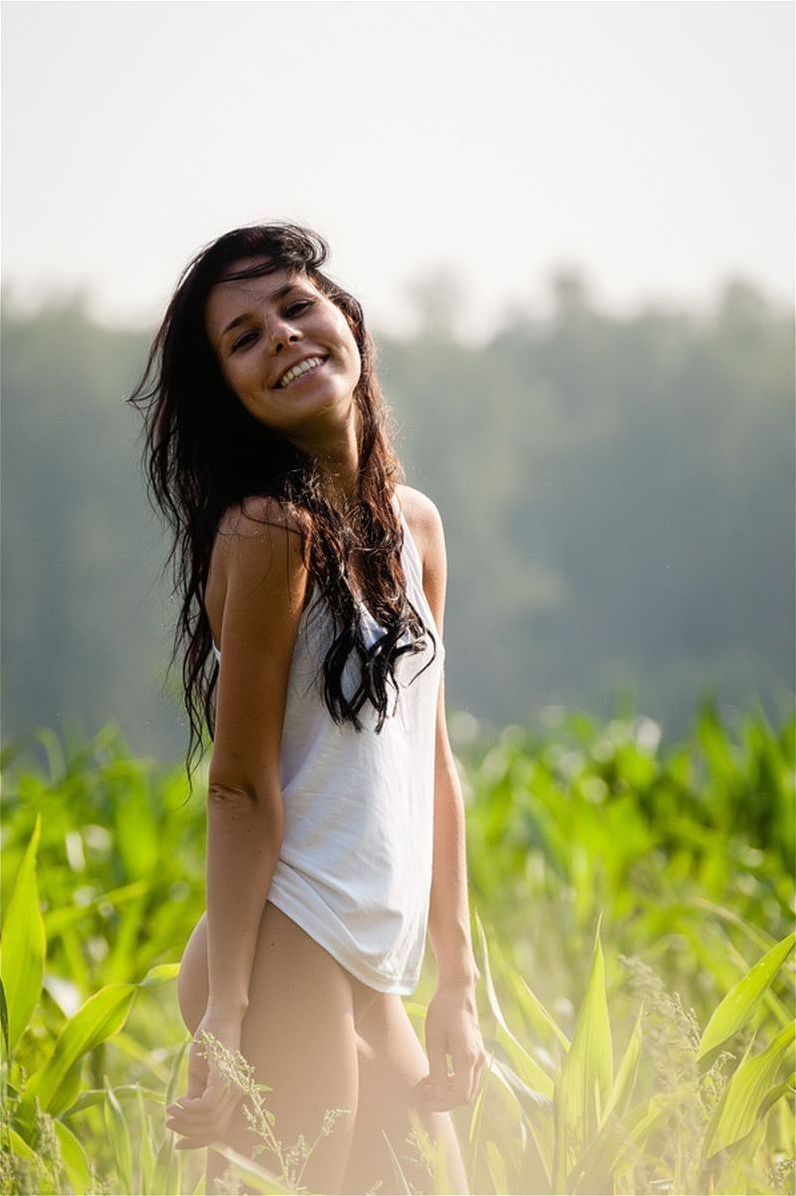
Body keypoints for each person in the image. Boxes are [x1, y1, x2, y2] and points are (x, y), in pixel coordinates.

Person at [128, 222, 487, 1195]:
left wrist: (458, 979)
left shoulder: (415, 525)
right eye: (243, 337)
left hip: (374, 960)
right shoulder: (266, 531)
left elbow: (431, 763)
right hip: (285, 935)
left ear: (346, 320)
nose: (281, 336)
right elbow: (240, 786)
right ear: (232, 393)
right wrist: (225, 1013)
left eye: (294, 306)